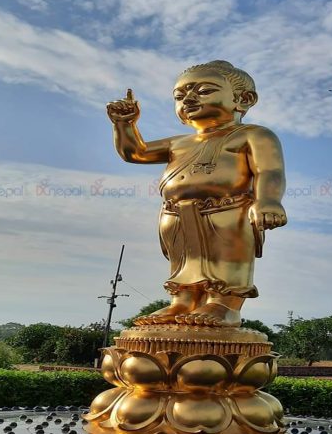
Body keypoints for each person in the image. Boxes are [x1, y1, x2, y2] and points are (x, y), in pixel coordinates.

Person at [106, 60, 287, 327]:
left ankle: (224, 305)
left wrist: (268, 201)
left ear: (243, 99)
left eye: (204, 91)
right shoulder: (178, 143)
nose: (188, 99)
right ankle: (182, 301)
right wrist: (124, 124)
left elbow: (269, 170)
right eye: (179, 96)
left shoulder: (253, 135)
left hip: (228, 211)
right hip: (176, 213)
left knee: (225, 260)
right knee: (184, 261)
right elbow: (135, 152)